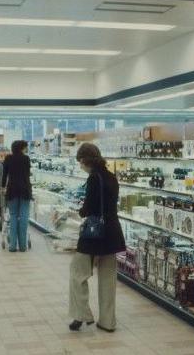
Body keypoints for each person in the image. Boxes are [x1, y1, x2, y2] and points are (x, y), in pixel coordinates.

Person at [69, 143, 126, 333]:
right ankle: (108, 322)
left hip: (94, 235)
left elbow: (89, 208)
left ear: (85, 160)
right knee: (108, 279)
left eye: (80, 162)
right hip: (112, 233)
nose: (80, 166)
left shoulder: (94, 178)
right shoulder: (111, 176)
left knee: (78, 273)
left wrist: (79, 210)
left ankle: (81, 314)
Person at [2, 140, 32, 252]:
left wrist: (2, 187)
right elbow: (28, 174)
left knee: (13, 216)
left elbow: (4, 175)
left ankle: (13, 246)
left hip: (12, 189)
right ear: (21, 148)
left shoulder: (8, 158)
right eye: (25, 147)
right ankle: (23, 246)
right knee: (23, 217)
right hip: (25, 189)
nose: (26, 149)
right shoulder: (26, 158)